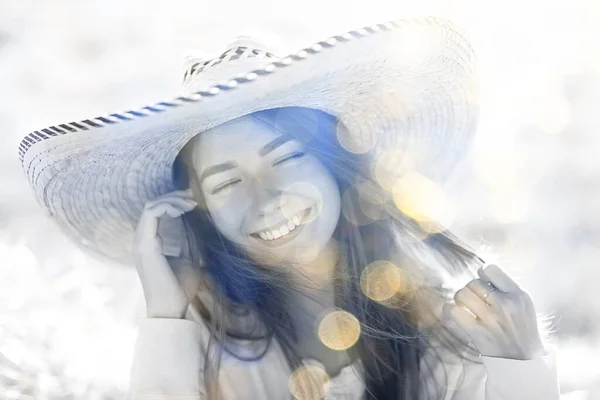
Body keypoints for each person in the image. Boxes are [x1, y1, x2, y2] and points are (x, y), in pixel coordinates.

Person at [17, 17, 560, 400]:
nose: (267, 197)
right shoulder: (211, 349)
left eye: (286, 158)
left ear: (335, 166)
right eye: (226, 182)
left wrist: (521, 365)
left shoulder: (449, 324)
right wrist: (165, 313)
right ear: (198, 211)